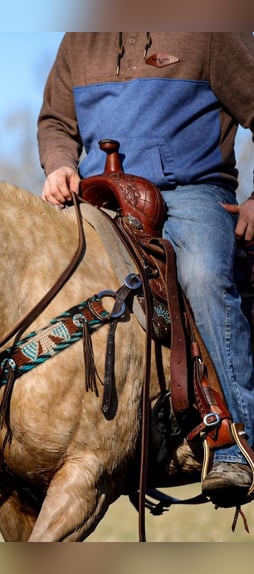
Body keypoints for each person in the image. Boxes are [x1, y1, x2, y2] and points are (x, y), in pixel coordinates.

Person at [37, 32, 254, 504]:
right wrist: (58, 166)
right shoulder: (78, 40)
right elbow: (56, 122)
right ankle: (26, 443)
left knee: (202, 277)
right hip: (99, 197)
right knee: (40, 272)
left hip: (190, 193)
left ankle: (237, 440)